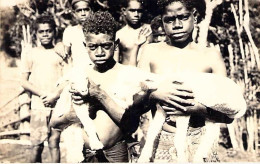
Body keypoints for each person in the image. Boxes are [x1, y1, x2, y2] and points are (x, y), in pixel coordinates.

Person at [137, 0, 240, 162]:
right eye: (169, 20)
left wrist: (197, 109)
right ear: (162, 21)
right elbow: (134, 103)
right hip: (161, 142)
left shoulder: (211, 56)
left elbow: (228, 115)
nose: (177, 25)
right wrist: (155, 95)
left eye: (183, 17)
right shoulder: (150, 52)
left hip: (201, 143)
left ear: (195, 18)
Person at [20, 14, 66, 163]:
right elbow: (23, 81)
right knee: (36, 146)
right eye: (41, 31)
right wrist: (42, 94)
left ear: (54, 32)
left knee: (54, 143)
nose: (45, 34)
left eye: (49, 31)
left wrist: (55, 95)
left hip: (56, 106)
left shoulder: (60, 53)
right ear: (36, 33)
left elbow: (66, 78)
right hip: (38, 106)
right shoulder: (31, 53)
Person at [55, 0, 94, 70]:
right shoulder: (70, 32)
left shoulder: (98, 30)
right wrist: (59, 44)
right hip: (78, 73)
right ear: (74, 13)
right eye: (79, 10)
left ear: (91, 11)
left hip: (97, 72)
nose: (83, 13)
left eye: (86, 10)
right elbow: (65, 55)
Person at [114, 0, 152, 66]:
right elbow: (115, 63)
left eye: (139, 11)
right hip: (127, 73)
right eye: (132, 11)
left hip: (145, 72)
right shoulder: (119, 35)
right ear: (124, 11)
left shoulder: (148, 30)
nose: (136, 14)